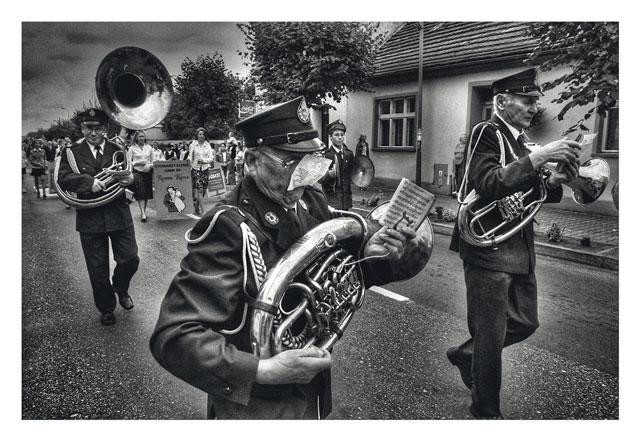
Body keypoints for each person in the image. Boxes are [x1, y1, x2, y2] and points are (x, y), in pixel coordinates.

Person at [150, 96, 419, 419]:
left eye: (307, 162)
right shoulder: (229, 226)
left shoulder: (310, 199)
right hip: (257, 407)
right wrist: (261, 369)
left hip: (310, 388)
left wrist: (373, 257)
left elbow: (339, 276)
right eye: (288, 163)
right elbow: (174, 336)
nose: (302, 177)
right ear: (251, 162)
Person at [448, 69, 581, 419]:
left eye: (536, 101)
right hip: (487, 249)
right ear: (502, 101)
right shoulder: (486, 133)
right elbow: (487, 182)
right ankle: (486, 412)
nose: (534, 107)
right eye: (527, 100)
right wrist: (538, 158)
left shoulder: (522, 142)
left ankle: (466, 355)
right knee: (490, 340)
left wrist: (555, 180)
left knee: (525, 321)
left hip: (518, 248)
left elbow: (537, 193)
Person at [57, 108, 140, 326]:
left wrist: (131, 179)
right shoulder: (71, 152)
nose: (93, 133)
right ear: (82, 128)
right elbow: (63, 178)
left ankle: (120, 288)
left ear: (105, 129)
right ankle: (106, 307)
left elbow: (135, 181)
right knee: (97, 268)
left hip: (118, 214)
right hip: (90, 218)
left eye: (98, 128)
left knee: (130, 259)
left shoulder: (118, 149)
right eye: (88, 128)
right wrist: (88, 182)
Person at [321, 119, 355, 210]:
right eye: (336, 135)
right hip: (332, 199)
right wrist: (328, 175)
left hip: (346, 198)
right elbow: (319, 179)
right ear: (330, 137)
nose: (340, 137)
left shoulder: (349, 154)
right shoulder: (326, 155)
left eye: (342, 135)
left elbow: (353, 172)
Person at [128, 130, 154, 222]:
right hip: (137, 172)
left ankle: (144, 211)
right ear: (136, 138)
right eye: (140, 137)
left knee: (146, 193)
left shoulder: (149, 148)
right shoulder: (132, 148)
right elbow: (129, 162)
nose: (142, 138)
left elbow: (152, 161)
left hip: (147, 172)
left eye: (143, 136)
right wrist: (137, 162)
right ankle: (143, 213)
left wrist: (150, 166)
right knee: (140, 192)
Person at [188, 128, 214, 215]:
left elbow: (211, 158)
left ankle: (196, 206)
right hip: (195, 169)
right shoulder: (193, 144)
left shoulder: (208, 145)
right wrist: (188, 162)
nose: (201, 136)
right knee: (199, 189)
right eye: (199, 134)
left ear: (205, 136)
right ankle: (203, 211)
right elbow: (190, 157)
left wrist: (204, 161)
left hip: (205, 169)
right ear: (197, 135)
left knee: (204, 190)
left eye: (203, 134)